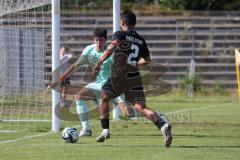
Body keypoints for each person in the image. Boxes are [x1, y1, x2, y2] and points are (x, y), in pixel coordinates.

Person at [93, 10, 172, 147]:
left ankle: (105, 130)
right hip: (134, 75)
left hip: (119, 75)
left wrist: (99, 62)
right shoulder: (141, 40)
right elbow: (147, 60)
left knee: (104, 97)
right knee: (141, 107)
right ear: (134, 24)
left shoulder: (120, 34)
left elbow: (111, 47)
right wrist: (135, 63)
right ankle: (162, 125)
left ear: (123, 22)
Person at [48, 28, 134, 137]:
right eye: (96, 40)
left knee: (128, 113)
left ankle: (150, 115)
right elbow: (75, 66)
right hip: (99, 84)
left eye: (101, 40)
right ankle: (86, 129)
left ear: (105, 39)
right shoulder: (89, 50)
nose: (98, 43)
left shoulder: (112, 51)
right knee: (79, 96)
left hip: (114, 84)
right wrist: (59, 80)